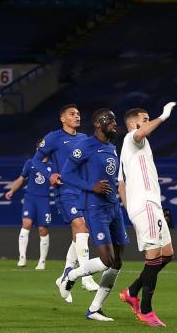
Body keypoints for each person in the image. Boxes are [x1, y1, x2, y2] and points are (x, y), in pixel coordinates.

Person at [55, 109, 128, 322]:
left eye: (115, 120)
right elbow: (66, 174)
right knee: (107, 260)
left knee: (117, 263)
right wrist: (90, 187)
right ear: (98, 123)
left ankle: (94, 309)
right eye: (110, 120)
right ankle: (70, 275)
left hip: (114, 208)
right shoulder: (85, 146)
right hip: (95, 208)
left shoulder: (111, 147)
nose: (115, 124)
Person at [116, 104, 177, 328]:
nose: (149, 122)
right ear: (134, 124)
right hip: (145, 204)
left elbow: (121, 184)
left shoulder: (133, 148)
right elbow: (142, 131)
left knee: (167, 254)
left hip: (148, 204)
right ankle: (146, 310)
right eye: (146, 118)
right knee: (153, 256)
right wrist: (163, 116)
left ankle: (132, 291)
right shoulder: (132, 138)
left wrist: (129, 209)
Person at [35, 104, 100, 292]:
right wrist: (50, 175)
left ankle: (65, 274)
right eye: (72, 114)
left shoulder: (84, 139)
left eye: (79, 114)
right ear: (63, 118)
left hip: (83, 190)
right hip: (65, 190)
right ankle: (86, 277)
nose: (77, 116)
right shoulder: (53, 138)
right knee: (81, 226)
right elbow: (36, 160)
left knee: (81, 232)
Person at [5, 138, 52, 269]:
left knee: (43, 229)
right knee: (26, 223)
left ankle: (42, 261)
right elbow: (21, 178)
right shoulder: (30, 163)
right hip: (30, 198)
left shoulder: (52, 165)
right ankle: (22, 257)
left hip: (44, 199)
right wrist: (12, 190)